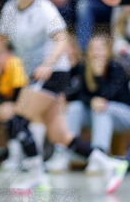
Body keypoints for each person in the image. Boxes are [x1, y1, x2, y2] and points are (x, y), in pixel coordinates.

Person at [0, 0, 127, 195]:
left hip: (54, 73)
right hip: (35, 74)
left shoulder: (45, 9)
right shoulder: (9, 9)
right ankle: (111, 165)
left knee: (18, 120)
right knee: (60, 136)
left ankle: (37, 176)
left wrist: (48, 63)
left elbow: (63, 39)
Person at [47, 34, 130, 171]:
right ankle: (62, 153)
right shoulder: (83, 69)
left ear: (108, 51)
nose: (97, 53)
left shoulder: (117, 68)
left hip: (122, 114)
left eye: (100, 49)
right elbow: (80, 95)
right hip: (97, 115)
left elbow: (112, 95)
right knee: (75, 107)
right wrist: (92, 100)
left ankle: (99, 155)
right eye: (93, 49)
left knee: (102, 107)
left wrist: (98, 77)